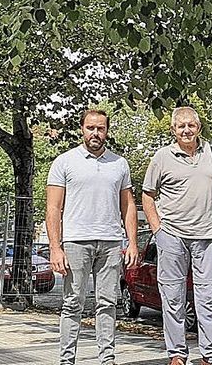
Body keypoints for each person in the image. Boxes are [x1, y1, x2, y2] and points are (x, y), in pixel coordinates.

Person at [46, 109, 139, 365]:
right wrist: (55, 247)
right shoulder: (64, 162)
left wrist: (132, 243)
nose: (95, 133)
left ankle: (107, 360)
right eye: (90, 128)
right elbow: (53, 208)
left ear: (107, 131)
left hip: (110, 242)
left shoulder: (119, 164)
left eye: (100, 128)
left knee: (108, 303)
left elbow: (128, 205)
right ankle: (67, 360)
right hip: (76, 241)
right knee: (72, 303)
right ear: (82, 129)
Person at [143, 106, 212, 365]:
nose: (186, 130)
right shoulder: (162, 157)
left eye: (191, 125)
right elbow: (148, 195)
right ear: (173, 130)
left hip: (207, 235)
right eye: (181, 126)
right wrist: (157, 230)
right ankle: (177, 354)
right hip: (172, 235)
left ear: (199, 127)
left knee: (209, 297)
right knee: (173, 297)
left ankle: (211, 356)